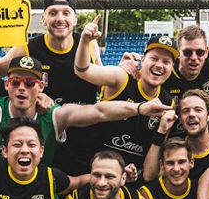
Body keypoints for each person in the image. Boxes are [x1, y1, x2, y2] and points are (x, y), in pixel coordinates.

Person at [0, 53, 168, 169]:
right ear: (6, 85)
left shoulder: (54, 115)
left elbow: (100, 111)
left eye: (30, 83)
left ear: (41, 86)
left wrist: (139, 107)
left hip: (38, 198)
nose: (22, 88)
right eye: (16, 82)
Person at [0, 0, 103, 176]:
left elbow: (103, 83)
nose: (59, 18)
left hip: (85, 135)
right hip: (48, 137)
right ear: (44, 19)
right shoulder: (28, 47)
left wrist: (124, 69)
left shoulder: (88, 44)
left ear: (75, 19)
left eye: (66, 13)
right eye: (53, 13)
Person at [75, 22, 177, 181]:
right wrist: (85, 40)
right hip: (93, 170)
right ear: (143, 59)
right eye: (154, 58)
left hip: (131, 178)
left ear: (172, 67)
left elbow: (154, 153)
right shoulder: (122, 77)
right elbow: (83, 70)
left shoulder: (168, 104)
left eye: (166, 62)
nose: (159, 65)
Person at [142, 89, 209, 183]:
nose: (191, 114)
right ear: (181, 119)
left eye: (198, 110)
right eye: (185, 111)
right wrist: (161, 131)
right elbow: (148, 176)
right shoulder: (173, 146)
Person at [164, 25, 209, 100]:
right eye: (187, 52)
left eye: (200, 52)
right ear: (178, 52)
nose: (194, 58)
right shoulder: (165, 72)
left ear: (206, 52)